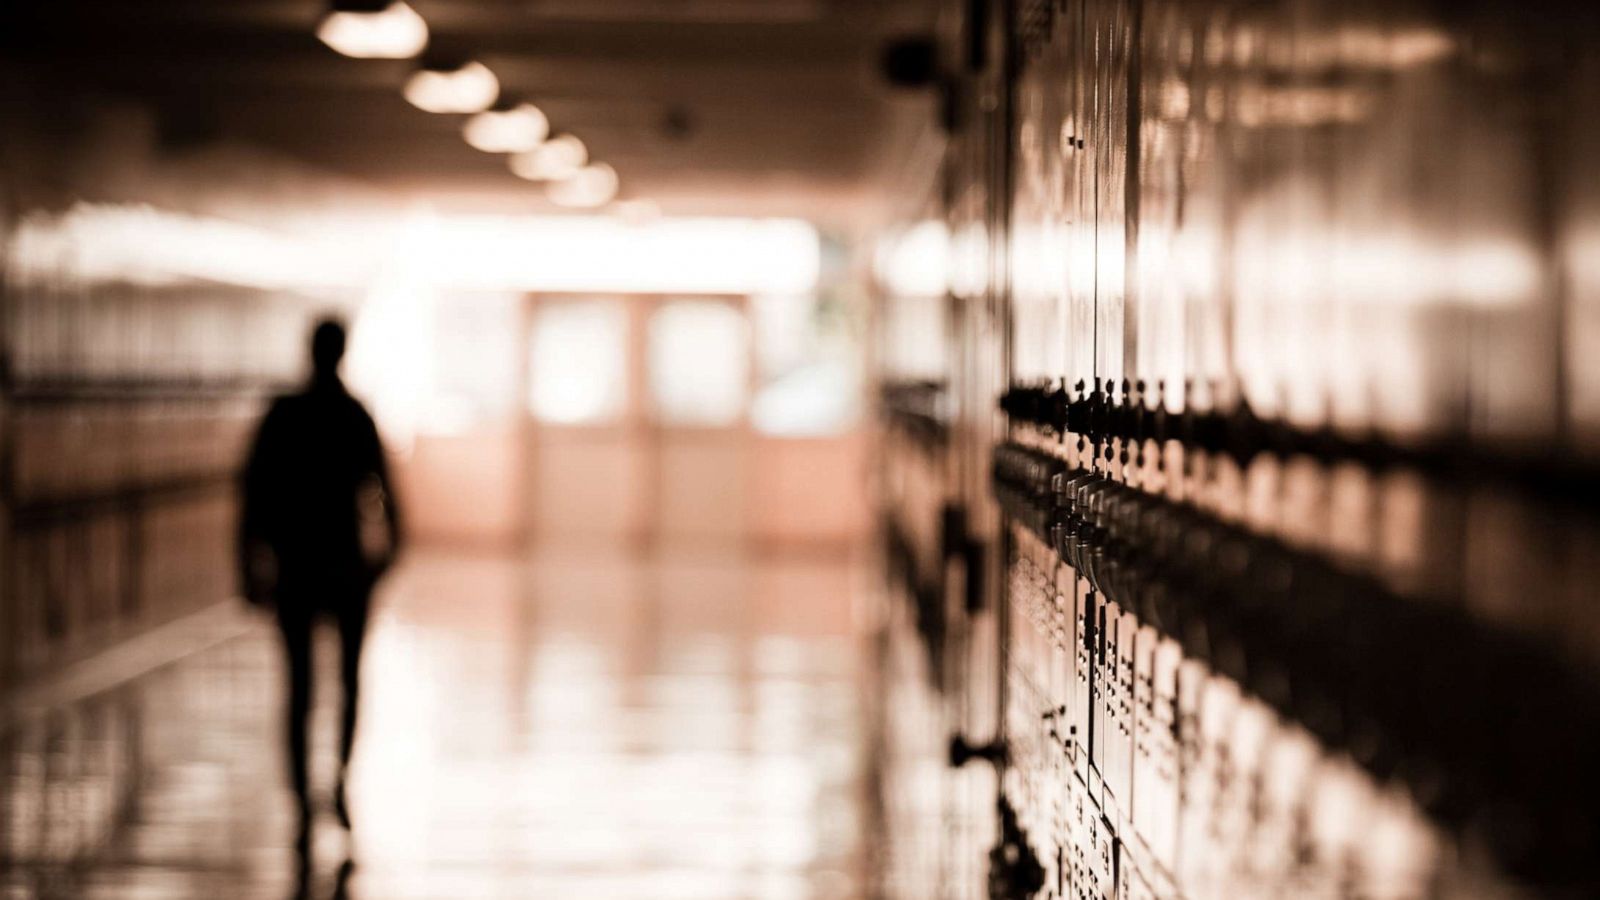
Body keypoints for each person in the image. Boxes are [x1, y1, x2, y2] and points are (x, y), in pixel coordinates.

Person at [237, 317, 402, 862]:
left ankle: (304, 806)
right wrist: (382, 562)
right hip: (345, 567)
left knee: (300, 687)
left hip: (297, 567)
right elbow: (390, 499)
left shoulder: (283, 415)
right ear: (342, 352)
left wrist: (248, 564)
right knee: (349, 681)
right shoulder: (355, 415)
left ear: (309, 351)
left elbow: (253, 495)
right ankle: (338, 782)